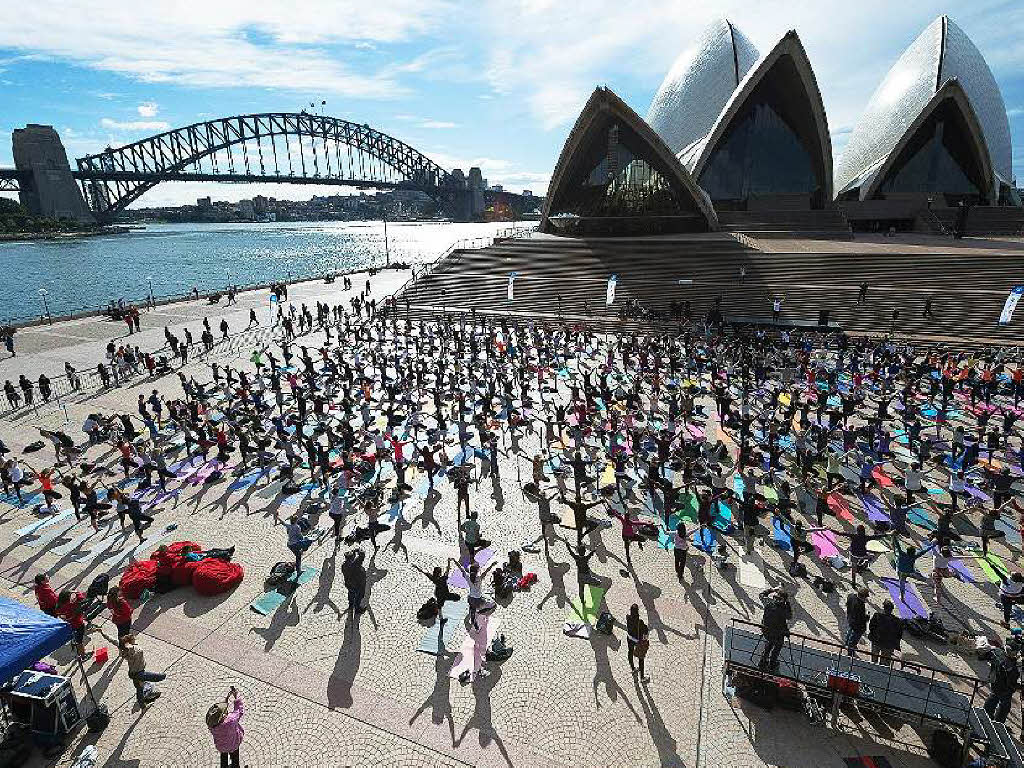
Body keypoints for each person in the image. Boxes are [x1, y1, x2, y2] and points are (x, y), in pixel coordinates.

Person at [119, 634, 165, 707]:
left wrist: (102, 633)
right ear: (129, 642)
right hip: (138, 673)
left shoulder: (128, 650)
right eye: (133, 639)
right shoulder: (132, 650)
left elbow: (113, 640)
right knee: (158, 677)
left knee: (139, 688)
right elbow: (131, 648)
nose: (135, 639)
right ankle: (144, 703)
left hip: (134, 672)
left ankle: (143, 705)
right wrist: (129, 646)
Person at [207, 687, 245, 768]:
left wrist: (225, 702)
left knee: (223, 757)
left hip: (221, 746)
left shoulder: (212, 725)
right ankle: (235, 766)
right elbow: (239, 711)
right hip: (233, 744)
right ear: (223, 716)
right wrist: (236, 697)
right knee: (235, 757)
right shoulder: (230, 721)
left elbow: (220, 717)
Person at [756, 588, 792, 671]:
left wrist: (771, 590)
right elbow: (789, 616)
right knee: (777, 647)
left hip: (766, 631)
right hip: (777, 634)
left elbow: (761, 595)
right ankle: (772, 663)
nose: (776, 600)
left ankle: (763, 661)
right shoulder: (784, 609)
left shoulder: (768, 602)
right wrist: (788, 603)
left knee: (769, 644)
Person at [983, 644, 1020, 723]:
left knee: (993, 698)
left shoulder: (997, 653)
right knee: (1004, 706)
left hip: (995, 682)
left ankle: (986, 717)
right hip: (1004, 686)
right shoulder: (1008, 663)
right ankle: (998, 723)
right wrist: (1015, 687)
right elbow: (1011, 679)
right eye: (1015, 653)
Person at [867, 599, 903, 665]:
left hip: (876, 641)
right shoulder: (897, 621)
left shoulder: (876, 616)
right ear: (892, 610)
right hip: (888, 645)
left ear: (884, 608)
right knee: (884, 663)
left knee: (874, 660)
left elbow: (871, 627)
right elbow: (899, 635)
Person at [56, 590, 89, 658]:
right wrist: (76, 592)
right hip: (78, 624)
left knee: (77, 639)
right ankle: (83, 656)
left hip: (70, 625)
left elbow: (63, 617)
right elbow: (81, 598)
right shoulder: (72, 605)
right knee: (79, 641)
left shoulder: (59, 606)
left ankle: (77, 648)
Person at [626, 603, 650, 683]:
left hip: (629, 638)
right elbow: (645, 631)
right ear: (637, 612)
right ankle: (642, 677)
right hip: (638, 641)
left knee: (630, 652)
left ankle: (633, 669)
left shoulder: (628, 617)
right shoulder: (640, 622)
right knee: (641, 658)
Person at [844, 587, 869, 656]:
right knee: (853, 639)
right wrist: (866, 618)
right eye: (865, 597)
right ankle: (850, 652)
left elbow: (847, 605)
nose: (866, 599)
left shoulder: (851, 596)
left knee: (849, 632)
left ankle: (846, 643)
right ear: (863, 597)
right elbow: (860, 618)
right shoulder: (860, 605)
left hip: (850, 620)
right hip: (857, 626)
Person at [341, 548, 367, 614]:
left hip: (349, 584)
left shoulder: (344, 565)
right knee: (359, 597)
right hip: (358, 585)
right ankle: (357, 609)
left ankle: (351, 606)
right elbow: (362, 554)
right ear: (352, 558)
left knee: (351, 595)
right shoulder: (355, 565)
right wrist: (357, 550)